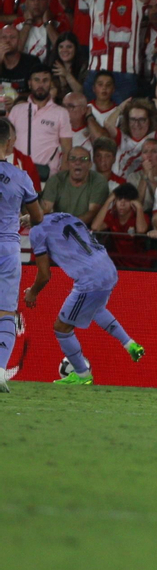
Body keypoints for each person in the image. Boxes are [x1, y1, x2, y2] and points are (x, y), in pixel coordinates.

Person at [21, 211, 146, 385]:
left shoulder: (37, 231)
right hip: (108, 267)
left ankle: (82, 374)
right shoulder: (65, 215)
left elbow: (44, 274)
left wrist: (32, 292)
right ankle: (130, 344)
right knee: (96, 309)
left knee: (61, 327)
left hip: (89, 278)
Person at [0, 118, 43, 387]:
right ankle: (0, 369)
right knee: (5, 312)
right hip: (7, 247)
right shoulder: (20, 175)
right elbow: (38, 217)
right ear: (9, 142)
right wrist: (26, 218)